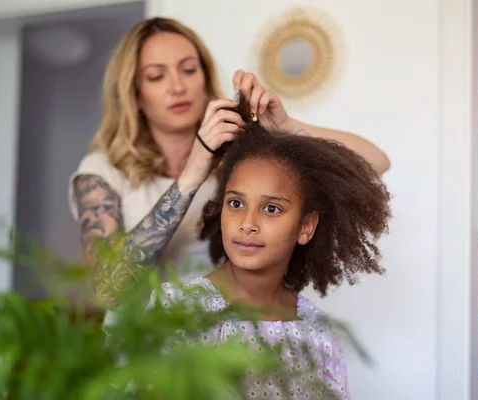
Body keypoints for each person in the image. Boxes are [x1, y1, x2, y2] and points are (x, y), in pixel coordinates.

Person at [68, 17, 391, 307]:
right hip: (143, 350)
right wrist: (193, 170)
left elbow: (374, 164)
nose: (177, 86)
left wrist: (287, 127)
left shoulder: (241, 157)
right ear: (134, 93)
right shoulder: (102, 172)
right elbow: (107, 288)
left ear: (205, 78)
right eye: (156, 76)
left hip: (230, 343)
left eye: (188, 69)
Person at [147, 94, 392, 399]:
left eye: (271, 209)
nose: (248, 222)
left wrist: (288, 126)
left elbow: (375, 162)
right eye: (235, 203)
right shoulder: (180, 312)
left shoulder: (318, 331)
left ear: (306, 226)